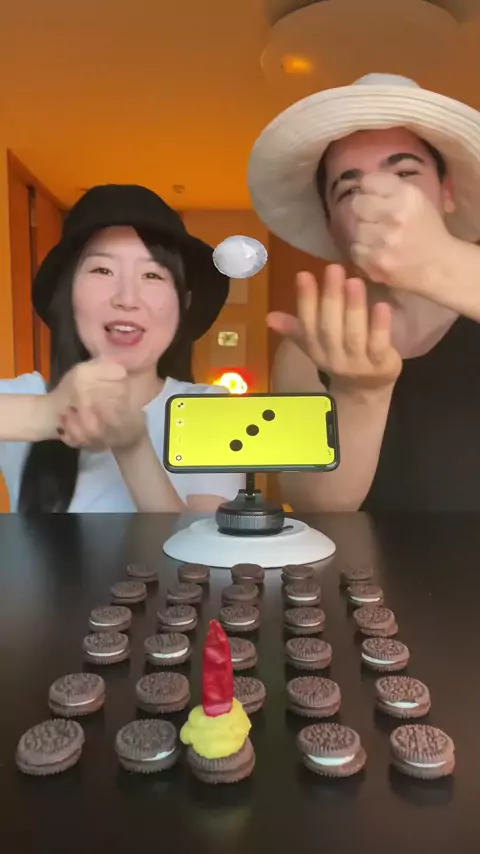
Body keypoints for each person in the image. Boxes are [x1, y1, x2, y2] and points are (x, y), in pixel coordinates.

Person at [248, 73, 480, 512]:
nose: (378, 198)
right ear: (332, 225)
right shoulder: (308, 348)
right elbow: (315, 507)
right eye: (349, 189)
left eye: (405, 173)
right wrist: (360, 396)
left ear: (447, 193)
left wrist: (440, 262)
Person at [0, 184, 244, 513]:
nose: (127, 299)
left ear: (183, 303)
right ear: (68, 294)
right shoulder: (26, 396)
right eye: (102, 270)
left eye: (152, 275)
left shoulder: (207, 409)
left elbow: (201, 543)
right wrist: (52, 412)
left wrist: (133, 447)